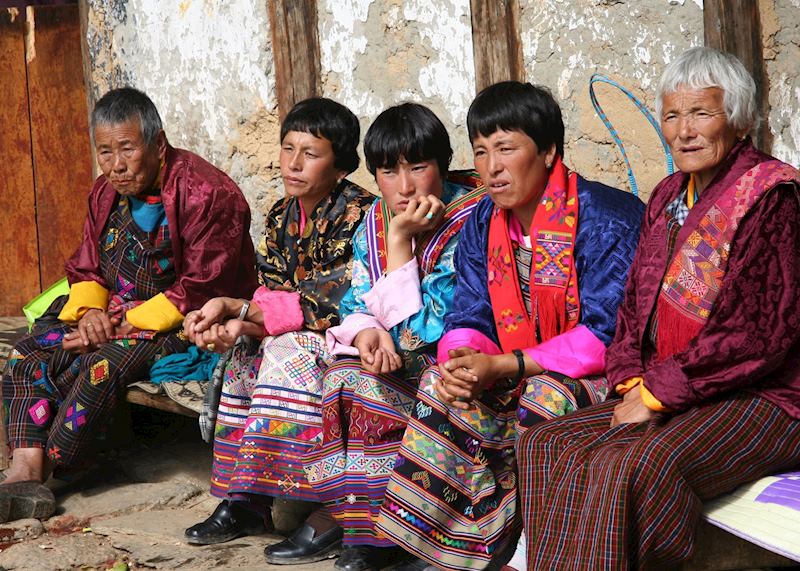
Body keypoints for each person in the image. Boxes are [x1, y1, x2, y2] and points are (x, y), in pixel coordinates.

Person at [516, 47, 800, 570]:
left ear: (737, 120)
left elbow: (757, 335)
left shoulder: (770, 197)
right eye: (672, 115)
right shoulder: (669, 193)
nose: (684, 130)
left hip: (765, 395)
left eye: (701, 113)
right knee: (545, 444)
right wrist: (629, 379)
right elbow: (633, 305)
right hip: (670, 386)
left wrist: (657, 395)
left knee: (630, 464)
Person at [375, 82, 645, 571]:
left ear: (547, 152)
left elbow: (608, 334)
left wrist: (505, 363)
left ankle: (529, 544)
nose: (491, 168)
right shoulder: (484, 220)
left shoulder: (605, 218)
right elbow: (470, 309)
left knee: (547, 397)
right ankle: (449, 544)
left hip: (601, 375)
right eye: (481, 152)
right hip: (515, 362)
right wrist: (462, 357)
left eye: (506, 148)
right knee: (443, 384)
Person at [0, 87, 258, 523]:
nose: (116, 166)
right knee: (25, 352)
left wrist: (119, 327)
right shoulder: (105, 193)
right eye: (105, 152)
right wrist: (92, 315)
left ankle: (47, 469)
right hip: (113, 314)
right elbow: (86, 266)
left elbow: (201, 288)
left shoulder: (207, 194)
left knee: (100, 368)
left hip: (184, 322)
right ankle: (22, 471)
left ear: (157, 144)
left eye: (126, 149)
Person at [272, 103, 484, 570]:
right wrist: (368, 331)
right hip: (400, 356)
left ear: (443, 166)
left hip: (453, 357)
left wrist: (399, 243)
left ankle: (398, 530)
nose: (404, 187)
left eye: (419, 168)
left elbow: (422, 331)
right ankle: (361, 527)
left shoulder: (471, 219)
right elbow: (354, 304)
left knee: (362, 381)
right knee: (347, 370)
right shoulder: (373, 219)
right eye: (389, 171)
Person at [182, 98, 376, 553]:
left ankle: (321, 502)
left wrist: (245, 313)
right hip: (291, 330)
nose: (293, 163)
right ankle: (245, 498)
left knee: (286, 352)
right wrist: (239, 326)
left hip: (348, 334)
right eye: (288, 148)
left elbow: (332, 303)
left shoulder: (360, 215)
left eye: (310, 153)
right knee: (245, 354)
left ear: (341, 164)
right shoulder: (279, 216)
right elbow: (271, 292)